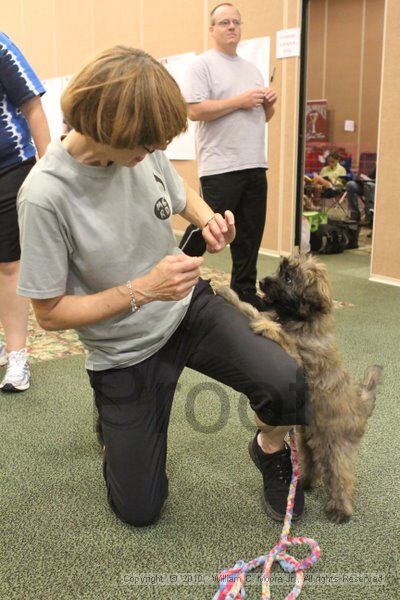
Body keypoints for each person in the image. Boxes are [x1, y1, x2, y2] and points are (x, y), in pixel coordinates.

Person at [17, 46, 308, 527]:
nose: (153, 155)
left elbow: (181, 193)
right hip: (123, 349)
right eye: (146, 147)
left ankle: (269, 449)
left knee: (286, 382)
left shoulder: (140, 152)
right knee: (140, 510)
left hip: (186, 310)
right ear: (107, 130)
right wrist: (144, 289)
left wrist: (209, 219)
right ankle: (113, 420)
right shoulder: (45, 197)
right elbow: (48, 314)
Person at [179, 3, 278, 311]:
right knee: (206, 227)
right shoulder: (202, 66)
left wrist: (268, 104)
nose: (232, 27)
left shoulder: (252, 69)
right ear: (212, 29)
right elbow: (194, 110)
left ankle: (245, 293)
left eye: (236, 22)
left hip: (254, 165)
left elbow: (262, 117)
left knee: (249, 235)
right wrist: (240, 100)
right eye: (224, 22)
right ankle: (176, 282)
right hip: (221, 167)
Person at [0, 32, 50, 392]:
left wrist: (49, 166)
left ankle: (17, 355)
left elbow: (31, 104)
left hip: (9, 164)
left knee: (8, 262)